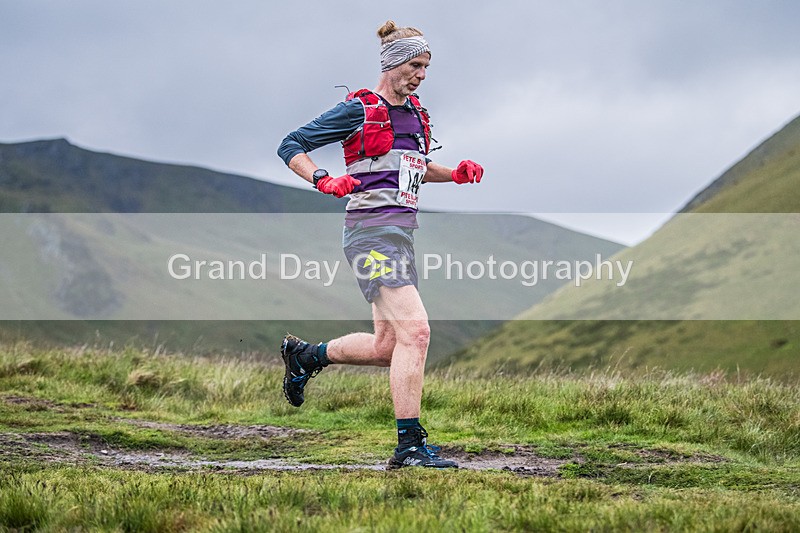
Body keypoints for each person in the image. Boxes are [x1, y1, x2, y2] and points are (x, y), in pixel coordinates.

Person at [276, 20, 483, 469]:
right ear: (392, 63)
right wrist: (323, 178)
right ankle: (408, 447)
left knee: (388, 345)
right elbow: (290, 145)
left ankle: (306, 356)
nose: (422, 74)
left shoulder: (417, 115)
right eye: (415, 64)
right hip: (369, 234)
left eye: (426, 66)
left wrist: (454, 173)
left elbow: (413, 167)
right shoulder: (359, 110)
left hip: (400, 234)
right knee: (418, 332)